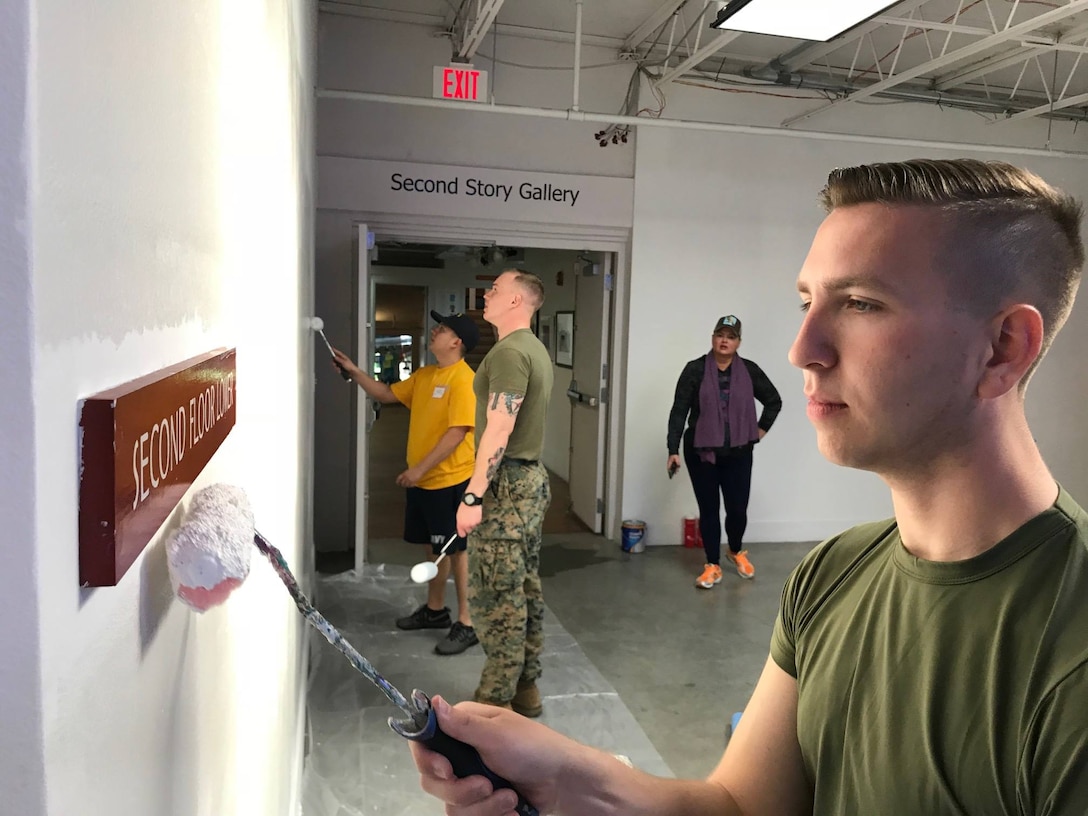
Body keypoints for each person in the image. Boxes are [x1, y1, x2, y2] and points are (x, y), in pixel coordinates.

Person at [408, 158, 1088, 814]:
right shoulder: (830, 575)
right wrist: (572, 783)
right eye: (807, 301)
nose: (802, 349)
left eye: (861, 303)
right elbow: (738, 805)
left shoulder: (1070, 652)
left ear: (1003, 347)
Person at [332, 311, 481, 656]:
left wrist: (418, 470)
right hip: (425, 481)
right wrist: (355, 371)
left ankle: (467, 623)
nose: (434, 331)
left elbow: (457, 433)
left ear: (456, 342)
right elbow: (387, 394)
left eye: (442, 329)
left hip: (450, 480)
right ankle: (435, 610)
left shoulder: (464, 380)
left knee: (458, 551)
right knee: (434, 547)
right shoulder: (426, 375)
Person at [455, 269, 553, 717]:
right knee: (523, 586)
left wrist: (473, 495)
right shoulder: (531, 348)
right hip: (527, 483)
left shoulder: (512, 353)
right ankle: (525, 689)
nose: (486, 295)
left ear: (516, 300)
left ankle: (493, 706)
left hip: (507, 487)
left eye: (494, 289)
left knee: (497, 598)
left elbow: (499, 427)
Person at [667, 315, 782, 586]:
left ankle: (735, 551)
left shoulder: (749, 371)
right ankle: (712, 564)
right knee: (709, 509)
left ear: (738, 342)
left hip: (739, 453)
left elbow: (774, 401)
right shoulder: (695, 370)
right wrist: (672, 449)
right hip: (702, 453)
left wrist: (758, 432)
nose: (724, 341)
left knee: (737, 509)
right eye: (720, 335)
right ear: (713, 338)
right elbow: (679, 410)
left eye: (731, 337)